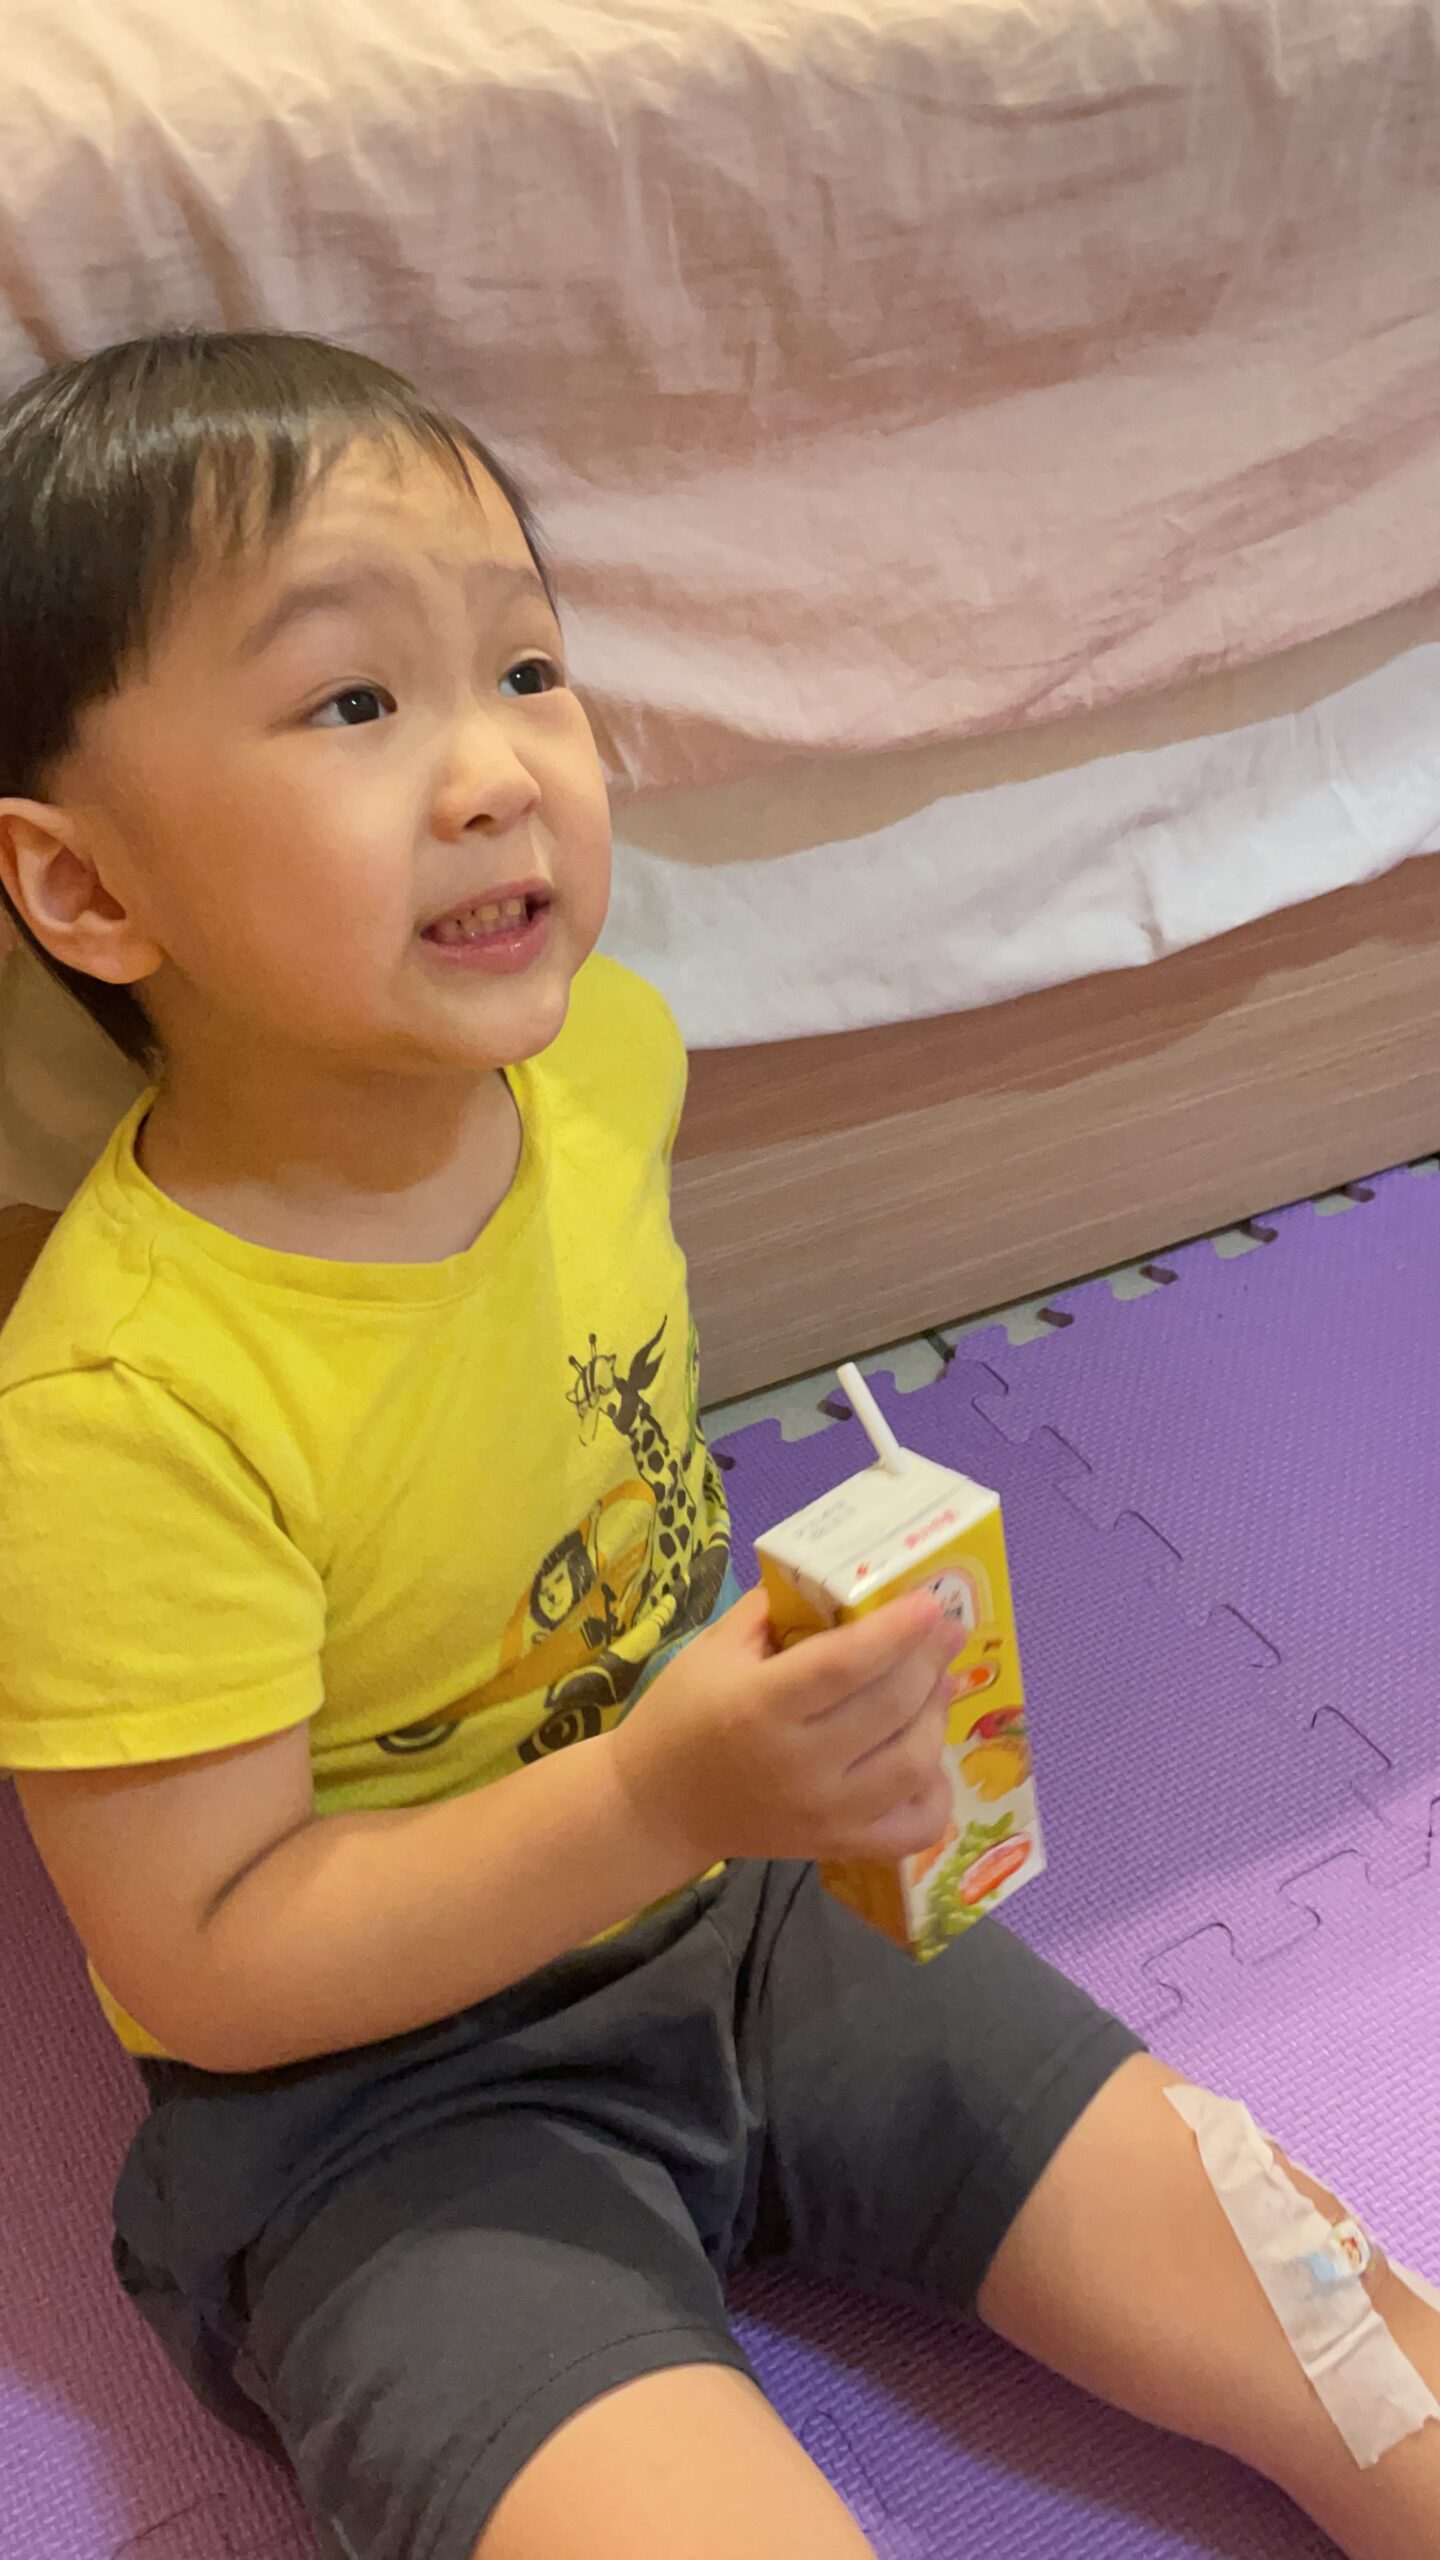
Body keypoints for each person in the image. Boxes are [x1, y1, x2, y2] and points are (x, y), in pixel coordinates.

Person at [0, 332, 1434, 2560]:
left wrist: (747, 1773)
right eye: (355, 701)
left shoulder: (606, 1065)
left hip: (757, 1909)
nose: (501, 770)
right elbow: (210, 1960)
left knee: (1337, 2332)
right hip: (384, 2122)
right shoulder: (120, 1413)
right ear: (91, 893)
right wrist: (654, 1792)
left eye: (527, 667)